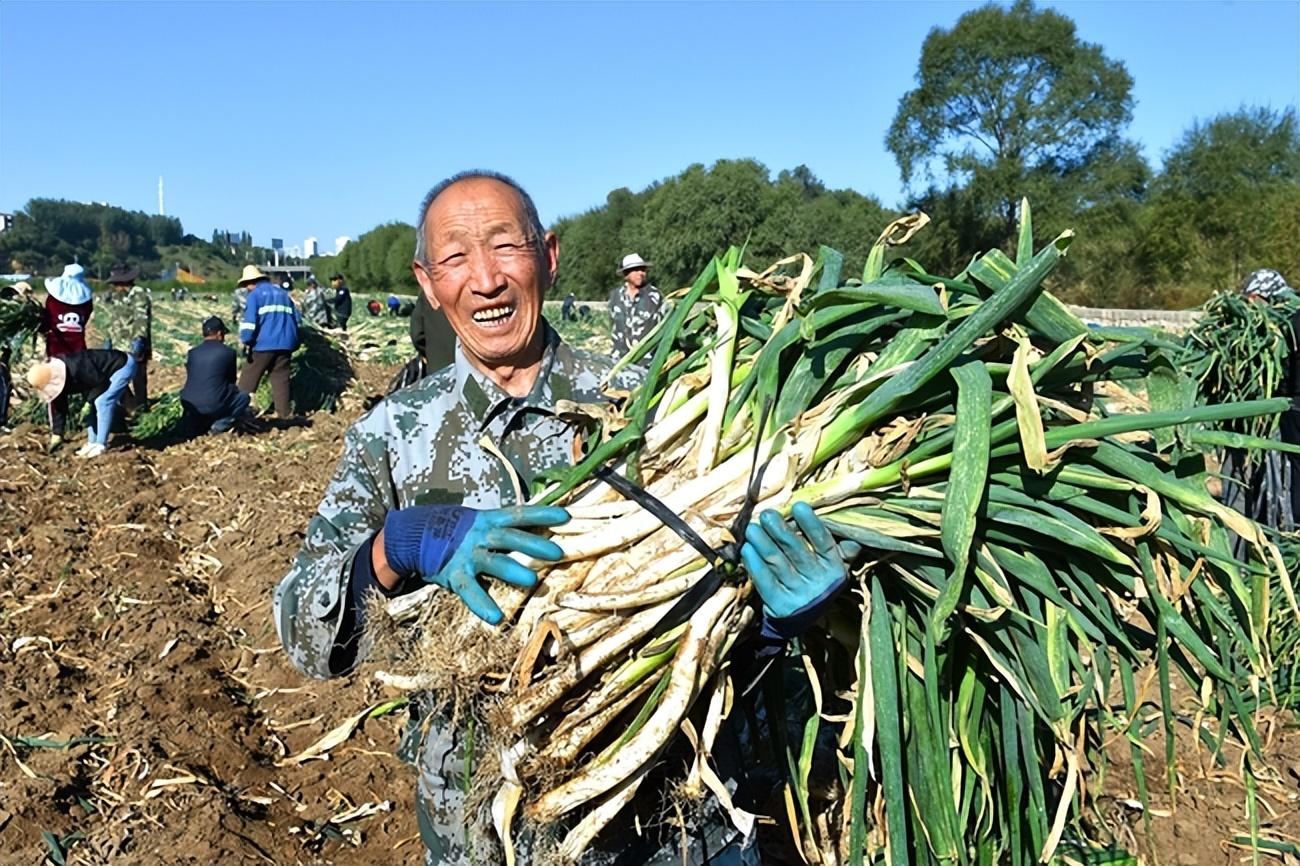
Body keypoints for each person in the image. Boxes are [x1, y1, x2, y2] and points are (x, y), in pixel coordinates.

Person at [274, 171, 852, 864]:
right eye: (456, 258)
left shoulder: (662, 403)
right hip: (486, 829)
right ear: (428, 283)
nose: (485, 279)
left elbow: (726, 614)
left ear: (548, 256)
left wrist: (772, 625)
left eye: (504, 247)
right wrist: (393, 549)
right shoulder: (393, 435)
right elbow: (306, 639)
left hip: (671, 817)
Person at [27, 348, 135, 459]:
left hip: (121, 366)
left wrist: (88, 403)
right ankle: (92, 443)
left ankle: (100, 444)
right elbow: (59, 405)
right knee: (91, 404)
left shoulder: (76, 366)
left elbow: (101, 382)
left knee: (102, 402)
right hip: (98, 378)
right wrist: (57, 433)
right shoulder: (57, 379)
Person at [38, 264, 95, 451]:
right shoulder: (86, 302)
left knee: (56, 392)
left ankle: (57, 433)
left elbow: (45, 323)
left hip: (56, 351)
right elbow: (84, 321)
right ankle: (92, 428)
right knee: (88, 388)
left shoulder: (52, 300)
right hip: (79, 352)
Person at [237, 264, 300, 418]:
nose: (246, 288)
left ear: (251, 282)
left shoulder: (255, 295)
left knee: (248, 380)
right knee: (280, 379)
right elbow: (297, 319)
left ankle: (235, 412)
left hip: (264, 345)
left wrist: (246, 339)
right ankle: (284, 414)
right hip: (286, 344)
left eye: (246, 285)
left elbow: (250, 323)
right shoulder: (283, 293)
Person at [179, 316, 251, 437]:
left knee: (203, 397)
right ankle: (219, 425)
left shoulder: (192, 353)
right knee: (243, 398)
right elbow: (231, 381)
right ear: (219, 333)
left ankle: (194, 424)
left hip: (189, 403)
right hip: (213, 404)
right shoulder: (228, 352)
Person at [99, 263, 153, 411]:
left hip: (134, 343)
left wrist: (139, 340)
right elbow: (113, 318)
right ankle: (130, 406)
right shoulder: (116, 296)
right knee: (117, 377)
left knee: (138, 379)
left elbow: (141, 319)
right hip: (119, 343)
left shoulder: (138, 294)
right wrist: (108, 338)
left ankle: (141, 406)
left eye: (117, 283)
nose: (115, 286)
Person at [608, 252, 664, 357]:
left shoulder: (655, 296)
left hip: (646, 359)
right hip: (619, 357)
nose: (641, 273)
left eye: (643, 270)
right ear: (626, 274)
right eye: (636, 270)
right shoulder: (615, 296)